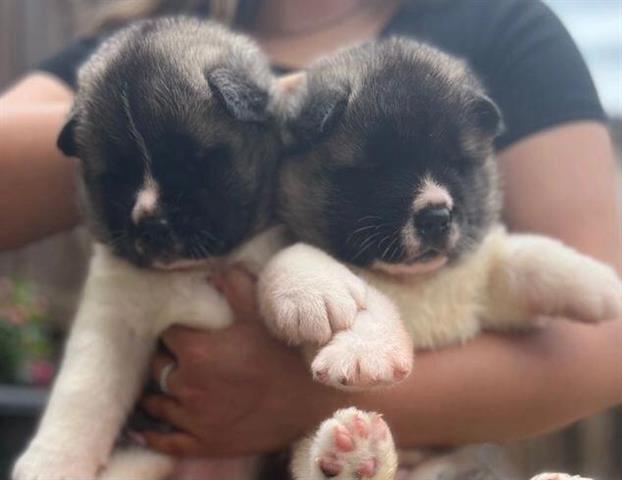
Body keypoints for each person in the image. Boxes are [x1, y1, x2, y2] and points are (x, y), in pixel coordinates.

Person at [1, 0, 621, 466]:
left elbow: (607, 342)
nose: (147, 209)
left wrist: (301, 402)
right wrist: (139, 107)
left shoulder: (499, 25)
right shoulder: (150, 32)